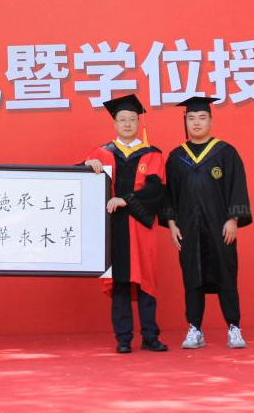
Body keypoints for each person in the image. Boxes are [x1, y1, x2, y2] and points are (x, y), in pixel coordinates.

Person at [159, 96, 253, 349]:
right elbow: (169, 194)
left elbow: (237, 187)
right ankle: (194, 328)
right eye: (191, 118)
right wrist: (172, 224)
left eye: (202, 117)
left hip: (219, 226)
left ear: (211, 120)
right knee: (192, 276)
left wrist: (233, 218)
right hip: (188, 227)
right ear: (185, 122)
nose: (196, 123)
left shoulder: (225, 152)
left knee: (226, 273)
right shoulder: (177, 157)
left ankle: (234, 327)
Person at [83, 94, 168, 354]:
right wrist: (86, 165)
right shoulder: (101, 153)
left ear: (138, 123)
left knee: (145, 282)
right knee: (120, 282)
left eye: (132, 119)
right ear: (115, 124)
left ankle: (150, 336)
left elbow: (156, 190)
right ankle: (123, 338)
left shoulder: (151, 154)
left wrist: (125, 200)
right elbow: (81, 185)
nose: (128, 123)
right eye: (123, 119)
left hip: (141, 226)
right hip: (113, 228)